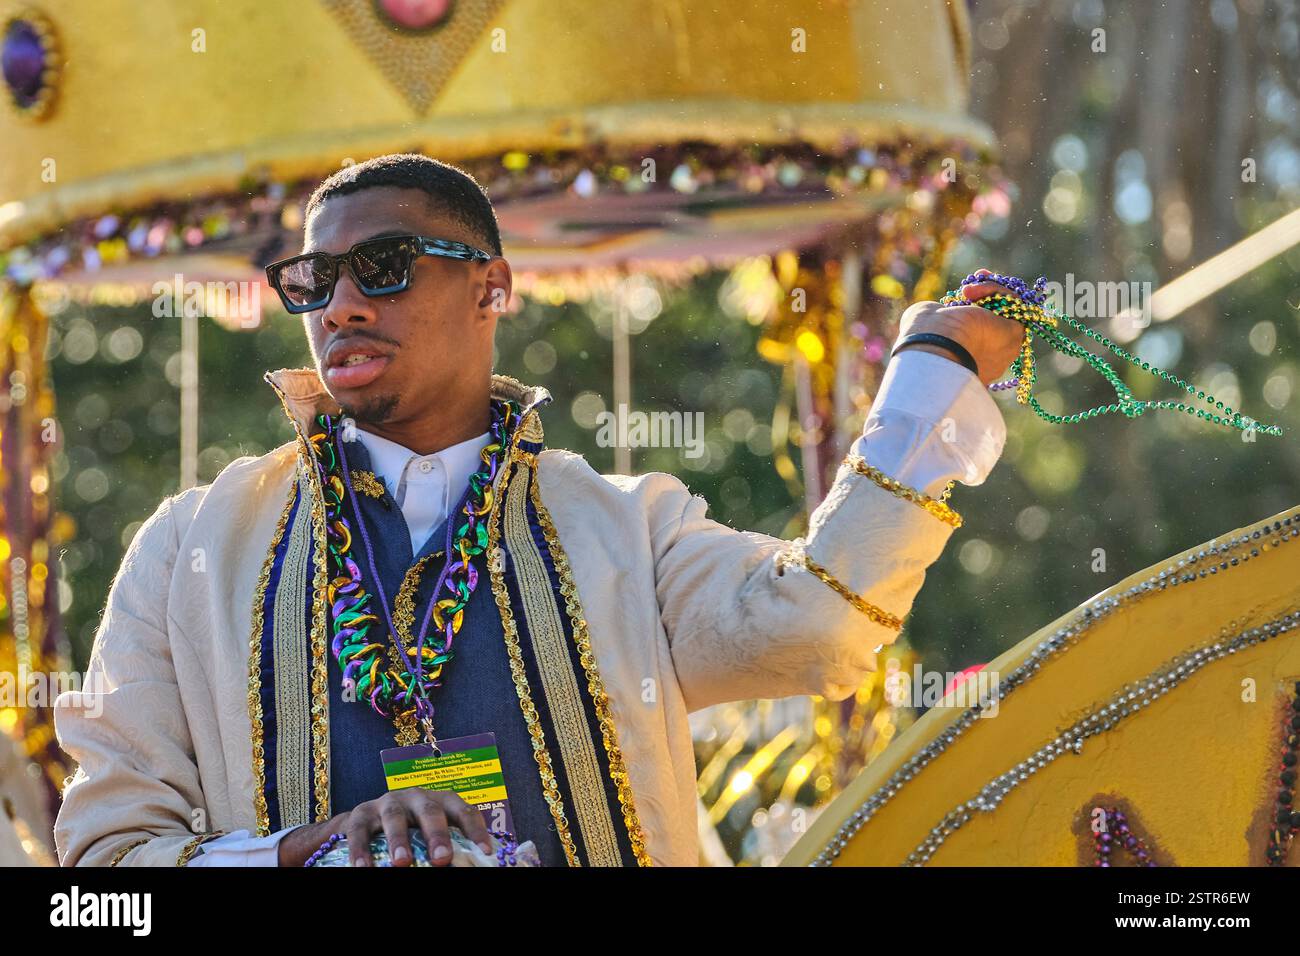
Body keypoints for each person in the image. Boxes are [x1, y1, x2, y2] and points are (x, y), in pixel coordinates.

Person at [52, 153, 1022, 867]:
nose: (340, 304)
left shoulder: (623, 527)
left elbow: (817, 629)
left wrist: (928, 377)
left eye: (383, 264)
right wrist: (304, 852)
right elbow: (103, 870)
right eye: (312, 279)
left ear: (493, 285)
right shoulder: (192, 545)